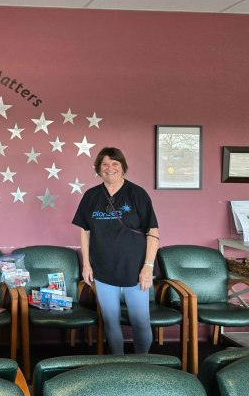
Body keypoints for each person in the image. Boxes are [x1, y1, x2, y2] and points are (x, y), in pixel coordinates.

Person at [72, 147, 159, 355]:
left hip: (135, 269)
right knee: (110, 320)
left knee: (140, 320)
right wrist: (87, 264)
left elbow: (153, 232)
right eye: (104, 164)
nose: (109, 168)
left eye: (114, 164)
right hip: (103, 269)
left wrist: (148, 267)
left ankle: (142, 362)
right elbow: (85, 231)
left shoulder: (137, 194)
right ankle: (118, 363)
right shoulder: (91, 196)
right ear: (98, 169)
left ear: (123, 167)